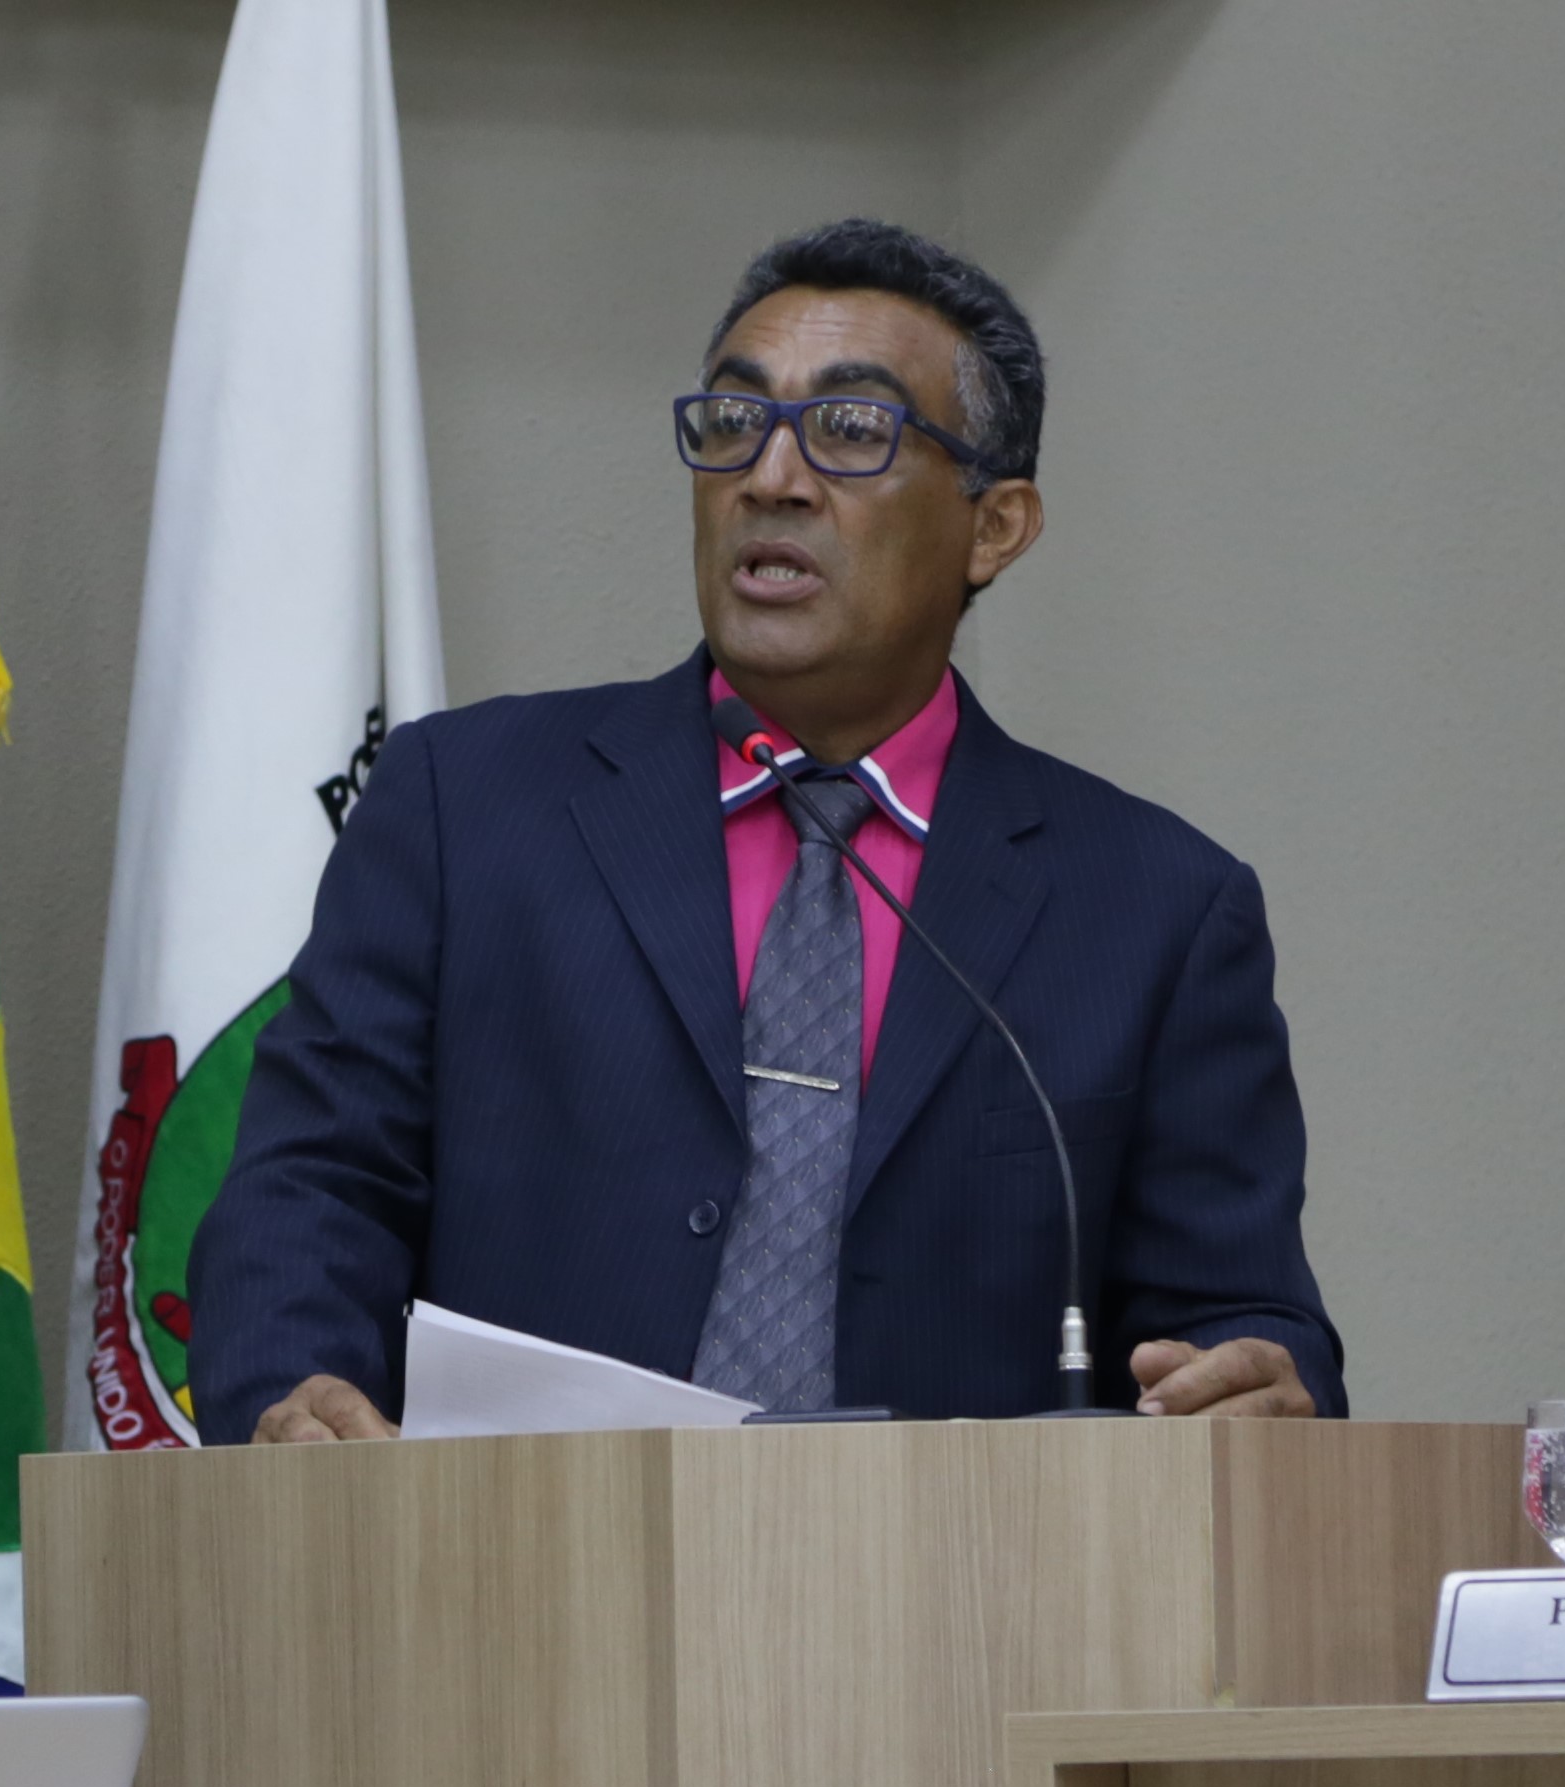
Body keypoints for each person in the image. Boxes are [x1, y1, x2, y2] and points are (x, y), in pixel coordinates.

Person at [188, 216, 1343, 1439]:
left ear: (993, 526)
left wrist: (1261, 1384)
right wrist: (290, 1395)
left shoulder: (1154, 909)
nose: (769, 477)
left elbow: (1235, 1315)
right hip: (513, 1580)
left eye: (850, 430)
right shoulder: (463, 808)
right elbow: (308, 1189)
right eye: (734, 421)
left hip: (958, 1606)